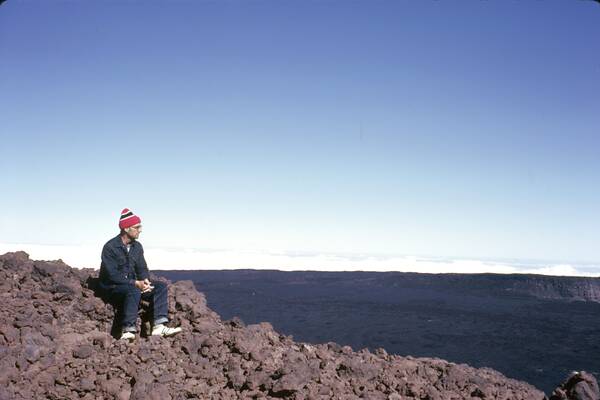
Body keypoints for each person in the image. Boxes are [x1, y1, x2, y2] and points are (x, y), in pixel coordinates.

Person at [99, 208, 182, 340]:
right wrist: (135, 283)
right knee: (133, 290)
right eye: (137, 227)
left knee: (160, 287)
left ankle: (159, 326)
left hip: (131, 284)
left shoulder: (137, 247)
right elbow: (111, 275)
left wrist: (145, 281)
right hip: (112, 288)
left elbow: (142, 268)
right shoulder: (110, 247)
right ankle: (128, 330)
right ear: (126, 229)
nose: (140, 230)